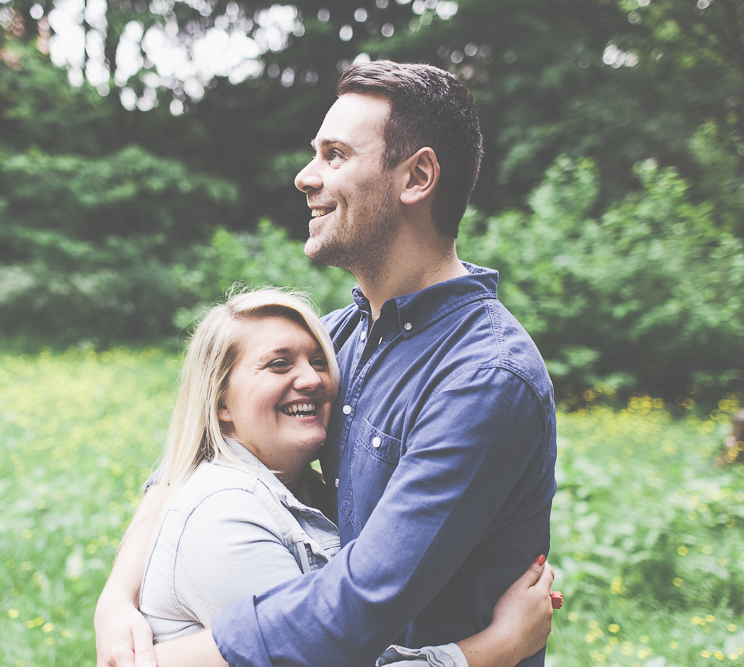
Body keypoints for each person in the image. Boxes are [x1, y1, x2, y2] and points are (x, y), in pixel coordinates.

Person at [95, 60, 557, 667]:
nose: (305, 177)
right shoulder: (337, 340)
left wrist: (162, 663)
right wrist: (117, 596)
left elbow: (356, 606)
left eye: (335, 155)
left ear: (417, 176)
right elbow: (195, 449)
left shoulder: (483, 377)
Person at [134, 288, 554, 667]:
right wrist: (500, 646)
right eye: (279, 365)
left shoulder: (359, 343)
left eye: (320, 362)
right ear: (220, 402)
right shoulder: (224, 518)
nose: (311, 378)